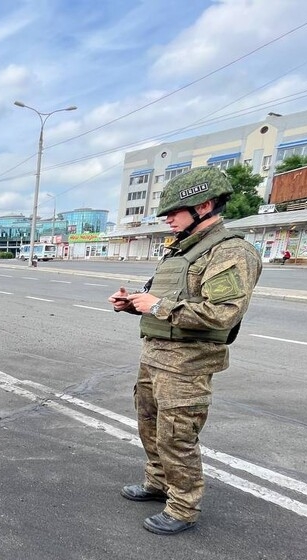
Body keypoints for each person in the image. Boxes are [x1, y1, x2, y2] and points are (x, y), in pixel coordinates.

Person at [108, 166, 262, 535]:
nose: (168, 220)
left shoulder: (231, 251)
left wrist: (156, 306)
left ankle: (182, 506)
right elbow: (170, 300)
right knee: (149, 425)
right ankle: (158, 482)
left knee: (177, 434)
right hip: (156, 356)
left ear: (205, 205)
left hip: (187, 364)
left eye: (174, 212)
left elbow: (222, 313)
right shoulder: (183, 250)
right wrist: (133, 304)